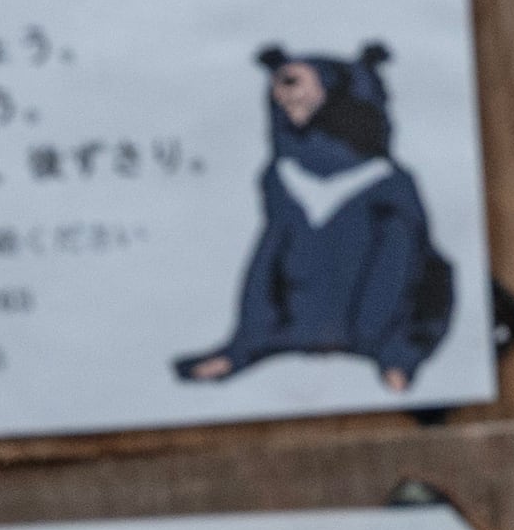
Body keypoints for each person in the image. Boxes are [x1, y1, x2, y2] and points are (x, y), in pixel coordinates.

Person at [178, 44, 462, 393]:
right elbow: (269, 260)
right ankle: (249, 347)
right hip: (292, 335)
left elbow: (407, 269)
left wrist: (398, 349)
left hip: (378, 334)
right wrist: (245, 344)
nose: (289, 92)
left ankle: (399, 358)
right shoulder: (282, 176)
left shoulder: (388, 181)